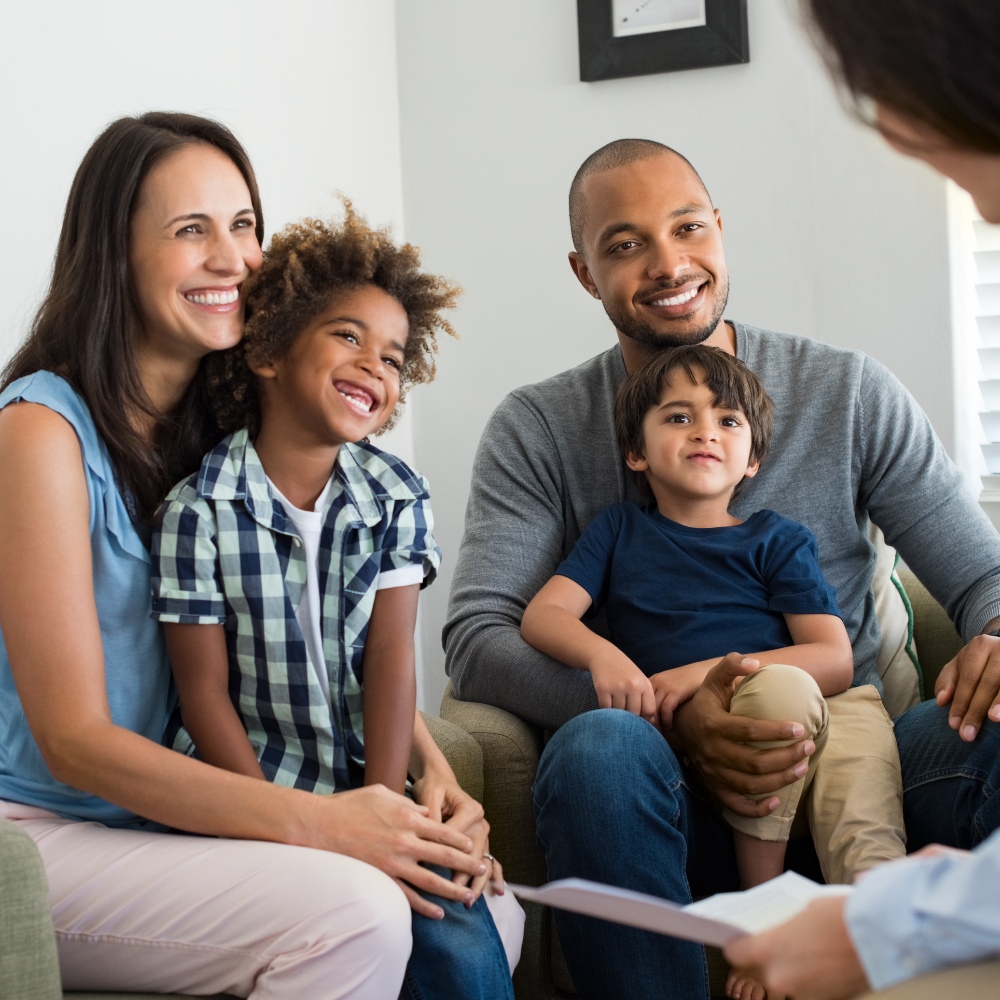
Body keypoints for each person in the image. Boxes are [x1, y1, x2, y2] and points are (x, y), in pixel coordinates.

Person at [444, 134, 1000, 999]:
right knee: (599, 750)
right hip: (656, 793)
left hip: (855, 759)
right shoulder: (540, 428)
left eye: (688, 228)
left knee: (990, 722)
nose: (670, 265)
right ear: (585, 272)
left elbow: (981, 580)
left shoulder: (847, 392)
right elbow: (480, 637)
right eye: (625, 245)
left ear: (719, 231)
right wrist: (673, 713)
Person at [0, 112, 500, 999]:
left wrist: (431, 775)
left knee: (482, 910)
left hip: (164, 815)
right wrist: (324, 825)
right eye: (191, 230)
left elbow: (320, 637)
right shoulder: (39, 432)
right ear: (114, 254)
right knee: (358, 912)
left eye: (243, 226)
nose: (232, 258)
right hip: (38, 828)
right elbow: (72, 742)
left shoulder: (224, 436)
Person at [150, 209, 523, 995]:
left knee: (453, 913)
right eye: (348, 337)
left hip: (366, 782)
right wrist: (272, 823)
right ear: (267, 350)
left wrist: (386, 812)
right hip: (242, 789)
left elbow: (390, 662)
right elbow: (203, 694)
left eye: (392, 356)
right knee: (419, 918)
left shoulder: (395, 497)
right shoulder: (198, 509)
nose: (373, 366)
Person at [718, 2, 1000, 997]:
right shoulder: (573, 462)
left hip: (852, 712)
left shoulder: (840, 396)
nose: (879, 124)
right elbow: (502, 630)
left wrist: (899, 918)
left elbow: (974, 575)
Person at [521, 344, 905, 1000]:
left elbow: (832, 657)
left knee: (803, 726)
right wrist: (604, 656)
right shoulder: (617, 531)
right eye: (678, 417)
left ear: (752, 459)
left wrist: (699, 674)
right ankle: (764, 925)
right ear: (635, 453)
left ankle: (842, 943)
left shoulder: (775, 538)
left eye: (728, 421)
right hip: (689, 773)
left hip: (804, 720)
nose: (705, 430)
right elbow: (544, 616)